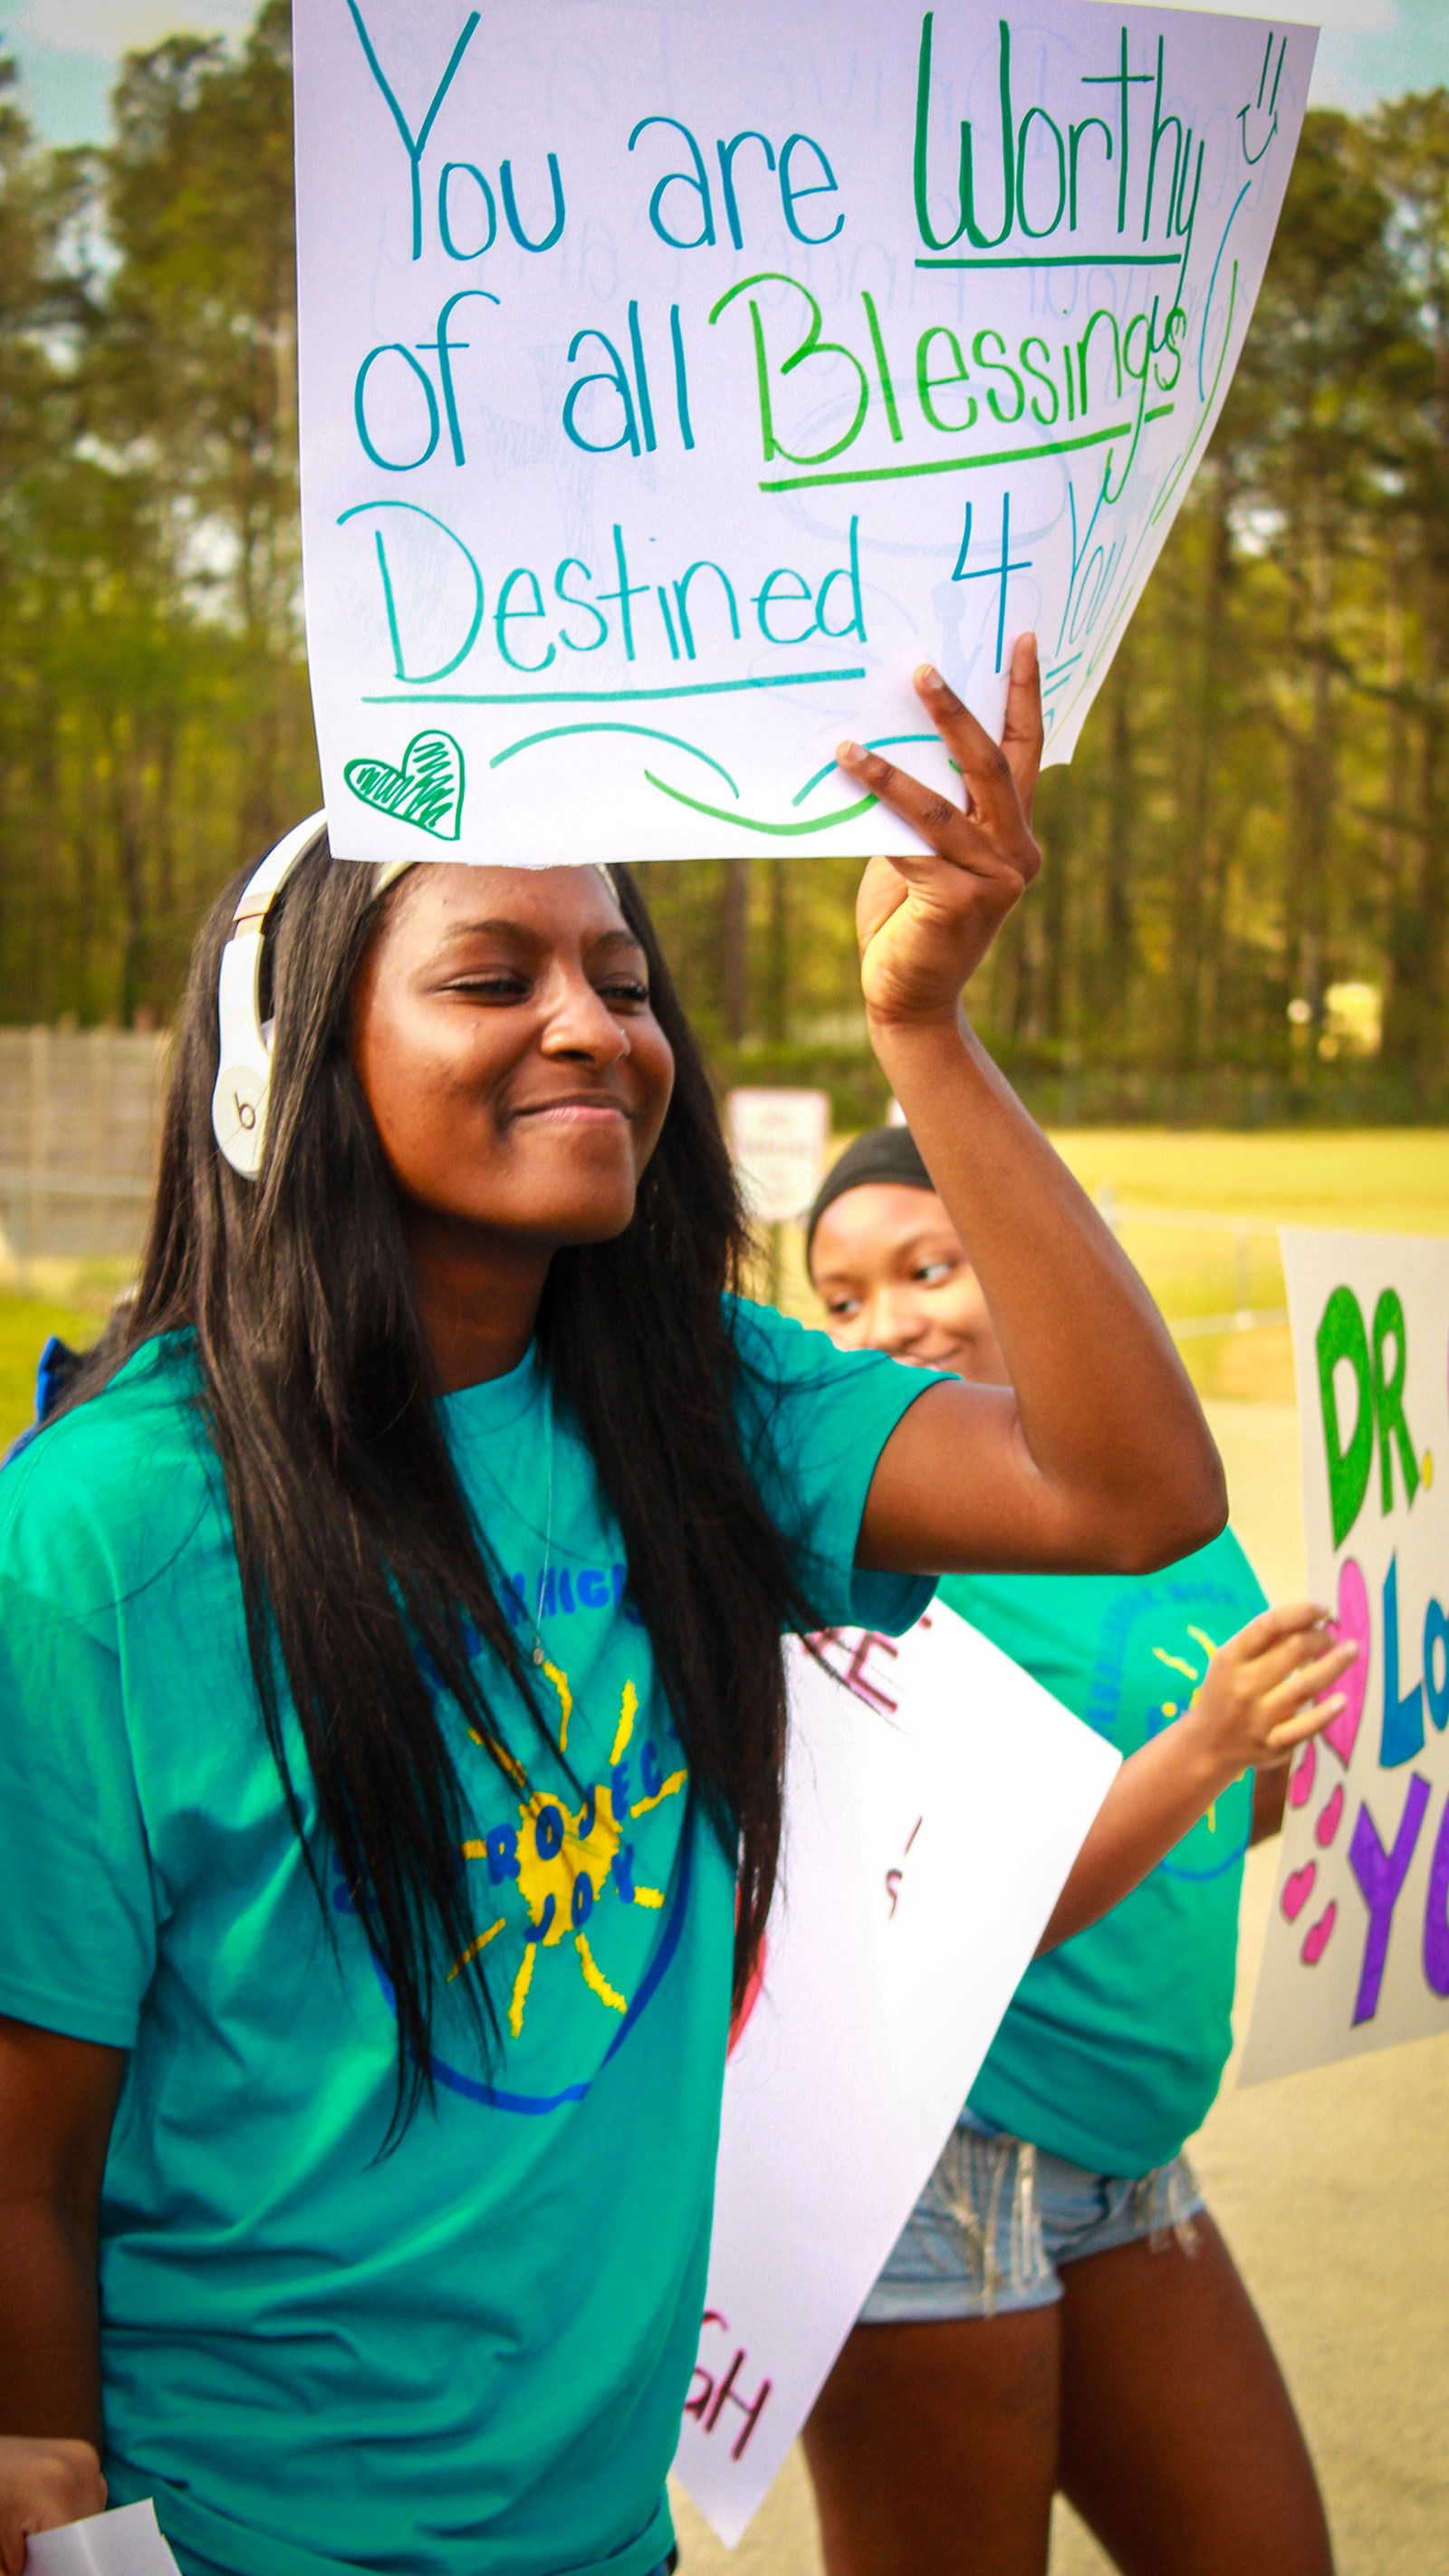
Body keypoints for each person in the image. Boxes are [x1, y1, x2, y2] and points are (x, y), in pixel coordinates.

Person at [0, 652, 1317, 2576]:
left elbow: (1131, 1492)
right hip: (226, 2533)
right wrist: (33, 2441)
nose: (591, 1028)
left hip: (599, 2536)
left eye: (622, 982)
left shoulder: (711, 1408)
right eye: (490, 976)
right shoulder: (99, 1534)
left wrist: (922, 1028)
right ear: (289, 1060)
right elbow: (25, 2129)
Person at [801, 1124, 1339, 2576]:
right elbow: (956, 1912)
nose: (888, 1322)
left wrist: (1281, 1748)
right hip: (934, 2168)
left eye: (930, 1267)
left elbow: (1221, 1821)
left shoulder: (1163, 1502)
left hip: (1130, 2160)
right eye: (840, 1300)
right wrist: (1206, 1747)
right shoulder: (862, 1548)